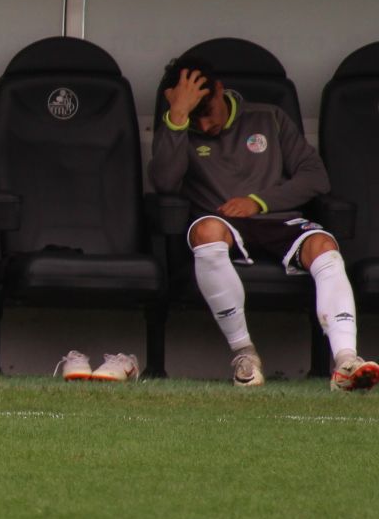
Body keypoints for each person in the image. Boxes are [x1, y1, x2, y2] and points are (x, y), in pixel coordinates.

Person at [150, 54, 377, 390]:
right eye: (194, 117)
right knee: (205, 230)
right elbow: (165, 183)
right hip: (222, 223)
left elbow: (316, 177)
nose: (205, 125)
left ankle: (346, 361)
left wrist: (258, 202)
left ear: (220, 90)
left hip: (276, 217)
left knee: (324, 246)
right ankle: (244, 354)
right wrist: (179, 117)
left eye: (206, 112)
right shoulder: (179, 127)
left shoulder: (269, 117)